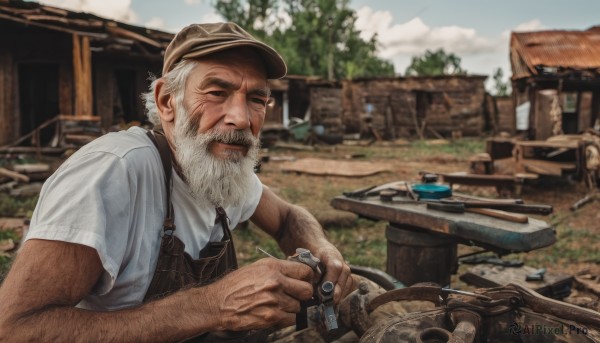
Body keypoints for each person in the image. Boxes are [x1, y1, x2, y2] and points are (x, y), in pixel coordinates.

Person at [0, 22, 354, 342]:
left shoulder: (220, 169)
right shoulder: (114, 173)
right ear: (167, 100)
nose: (241, 118)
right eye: (217, 93)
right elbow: (14, 329)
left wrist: (323, 247)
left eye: (257, 99)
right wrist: (212, 305)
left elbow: (289, 217)